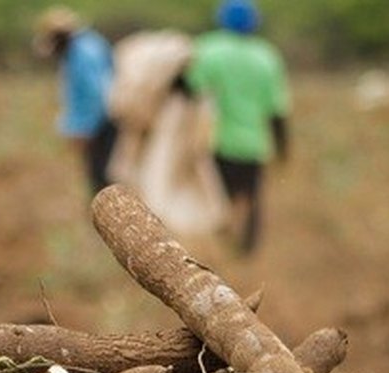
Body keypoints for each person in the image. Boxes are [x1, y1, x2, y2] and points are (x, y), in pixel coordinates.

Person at [187, 0, 291, 253]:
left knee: (218, 198)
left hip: (216, 140)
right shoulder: (267, 57)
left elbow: (192, 90)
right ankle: (247, 250)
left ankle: (219, 249)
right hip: (253, 144)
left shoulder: (207, 49)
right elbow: (277, 110)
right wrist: (283, 148)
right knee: (250, 198)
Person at [106, 29, 226, 237]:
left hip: (169, 131)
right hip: (169, 130)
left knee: (158, 178)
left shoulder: (175, 101)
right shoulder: (184, 96)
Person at [33, 6, 117, 194]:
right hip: (101, 123)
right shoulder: (84, 46)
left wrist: (85, 130)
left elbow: (96, 95)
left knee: (102, 180)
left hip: (101, 125)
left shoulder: (83, 54)